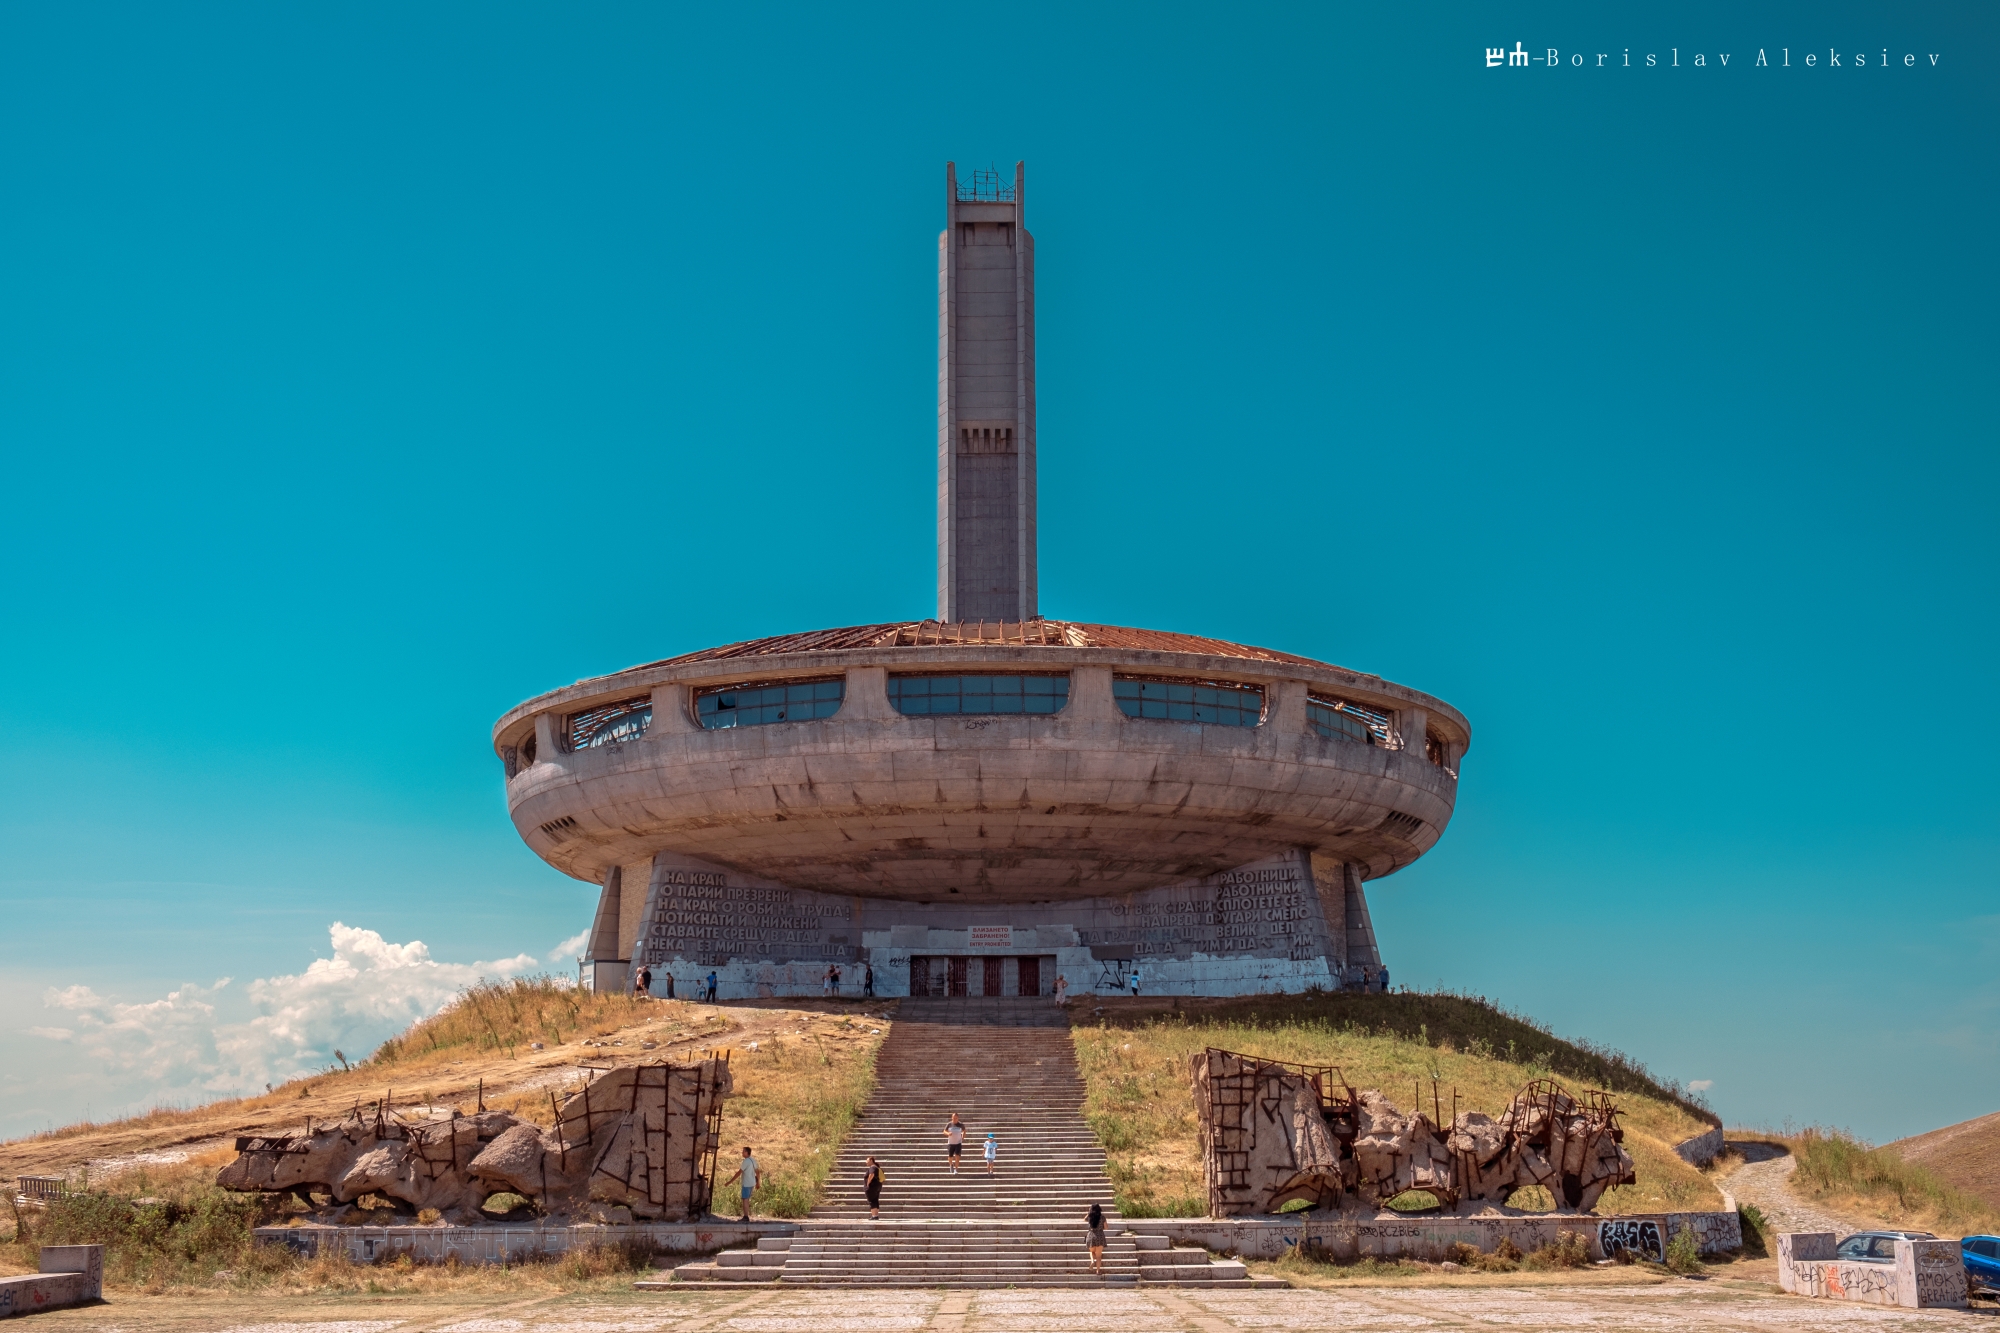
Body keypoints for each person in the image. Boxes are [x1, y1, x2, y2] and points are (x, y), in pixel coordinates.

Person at [724, 1146, 758, 1220]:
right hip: (752, 1183)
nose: (742, 1153)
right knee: (747, 1199)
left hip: (746, 1183)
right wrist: (758, 1182)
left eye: (743, 1151)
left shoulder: (745, 1161)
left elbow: (739, 1173)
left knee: (745, 1199)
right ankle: (746, 1214)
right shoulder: (753, 1160)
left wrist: (729, 1182)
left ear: (746, 1152)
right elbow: (757, 1172)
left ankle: (746, 1216)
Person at [1085, 1202, 1106, 1275]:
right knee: (1099, 1256)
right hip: (1100, 1236)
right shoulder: (1102, 1217)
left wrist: (1089, 1212)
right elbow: (1106, 1227)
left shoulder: (1090, 1217)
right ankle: (1098, 1271)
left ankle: (1092, 1261)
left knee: (1091, 1252)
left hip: (1091, 1236)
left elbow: (1084, 1219)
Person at [863, 1155, 883, 1220]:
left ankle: (874, 1215)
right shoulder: (876, 1167)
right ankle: (876, 1215)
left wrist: (868, 1183)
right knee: (875, 1200)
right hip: (877, 1186)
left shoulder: (872, 1167)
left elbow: (871, 1174)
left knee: (872, 1201)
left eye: (867, 1160)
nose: (866, 1162)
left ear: (871, 1161)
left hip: (872, 1187)